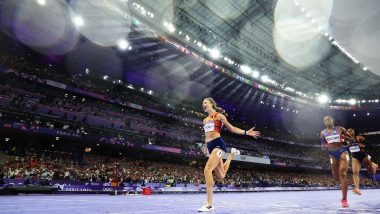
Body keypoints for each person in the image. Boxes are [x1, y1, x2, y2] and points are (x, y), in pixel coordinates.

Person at [198, 98, 260, 212]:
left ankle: (209, 204)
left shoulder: (219, 116)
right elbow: (206, 136)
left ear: (211, 104)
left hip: (218, 145)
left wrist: (246, 132)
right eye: (202, 103)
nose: (203, 104)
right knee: (221, 176)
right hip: (211, 148)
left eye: (205, 102)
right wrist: (206, 148)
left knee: (207, 170)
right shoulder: (205, 120)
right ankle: (232, 155)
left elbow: (232, 128)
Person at [320, 116, 351, 208]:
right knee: (336, 177)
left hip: (342, 151)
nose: (326, 121)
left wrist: (345, 138)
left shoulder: (340, 129)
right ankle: (342, 183)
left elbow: (350, 138)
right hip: (332, 154)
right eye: (325, 120)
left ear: (332, 120)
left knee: (342, 172)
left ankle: (344, 199)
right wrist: (323, 146)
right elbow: (322, 144)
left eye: (328, 119)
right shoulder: (322, 133)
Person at [347, 128, 378, 195]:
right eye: (348, 131)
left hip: (363, 156)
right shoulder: (347, 140)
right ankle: (357, 188)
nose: (348, 132)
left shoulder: (358, 138)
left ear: (354, 132)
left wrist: (363, 145)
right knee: (355, 172)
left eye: (350, 131)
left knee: (372, 173)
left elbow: (370, 144)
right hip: (355, 157)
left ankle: (374, 166)